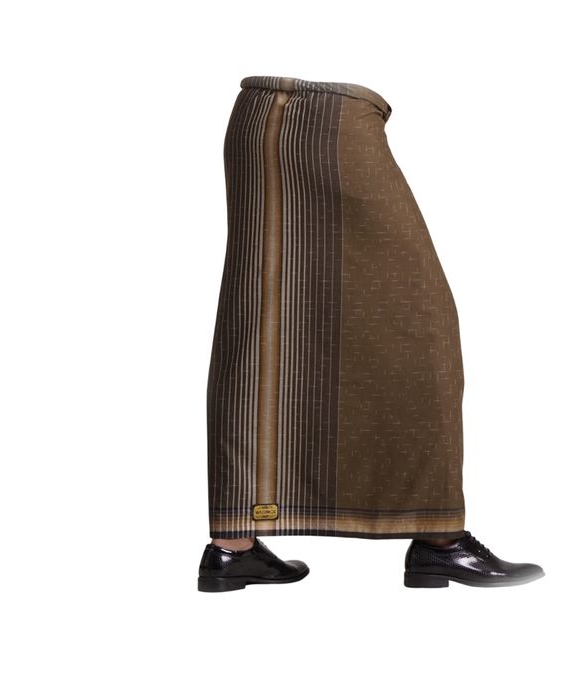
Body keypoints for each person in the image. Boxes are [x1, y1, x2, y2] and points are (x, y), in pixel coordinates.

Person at [198, 75, 544, 592]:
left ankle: (233, 546)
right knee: (415, 319)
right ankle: (439, 539)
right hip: (329, 121)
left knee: (263, 317)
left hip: (261, 117)